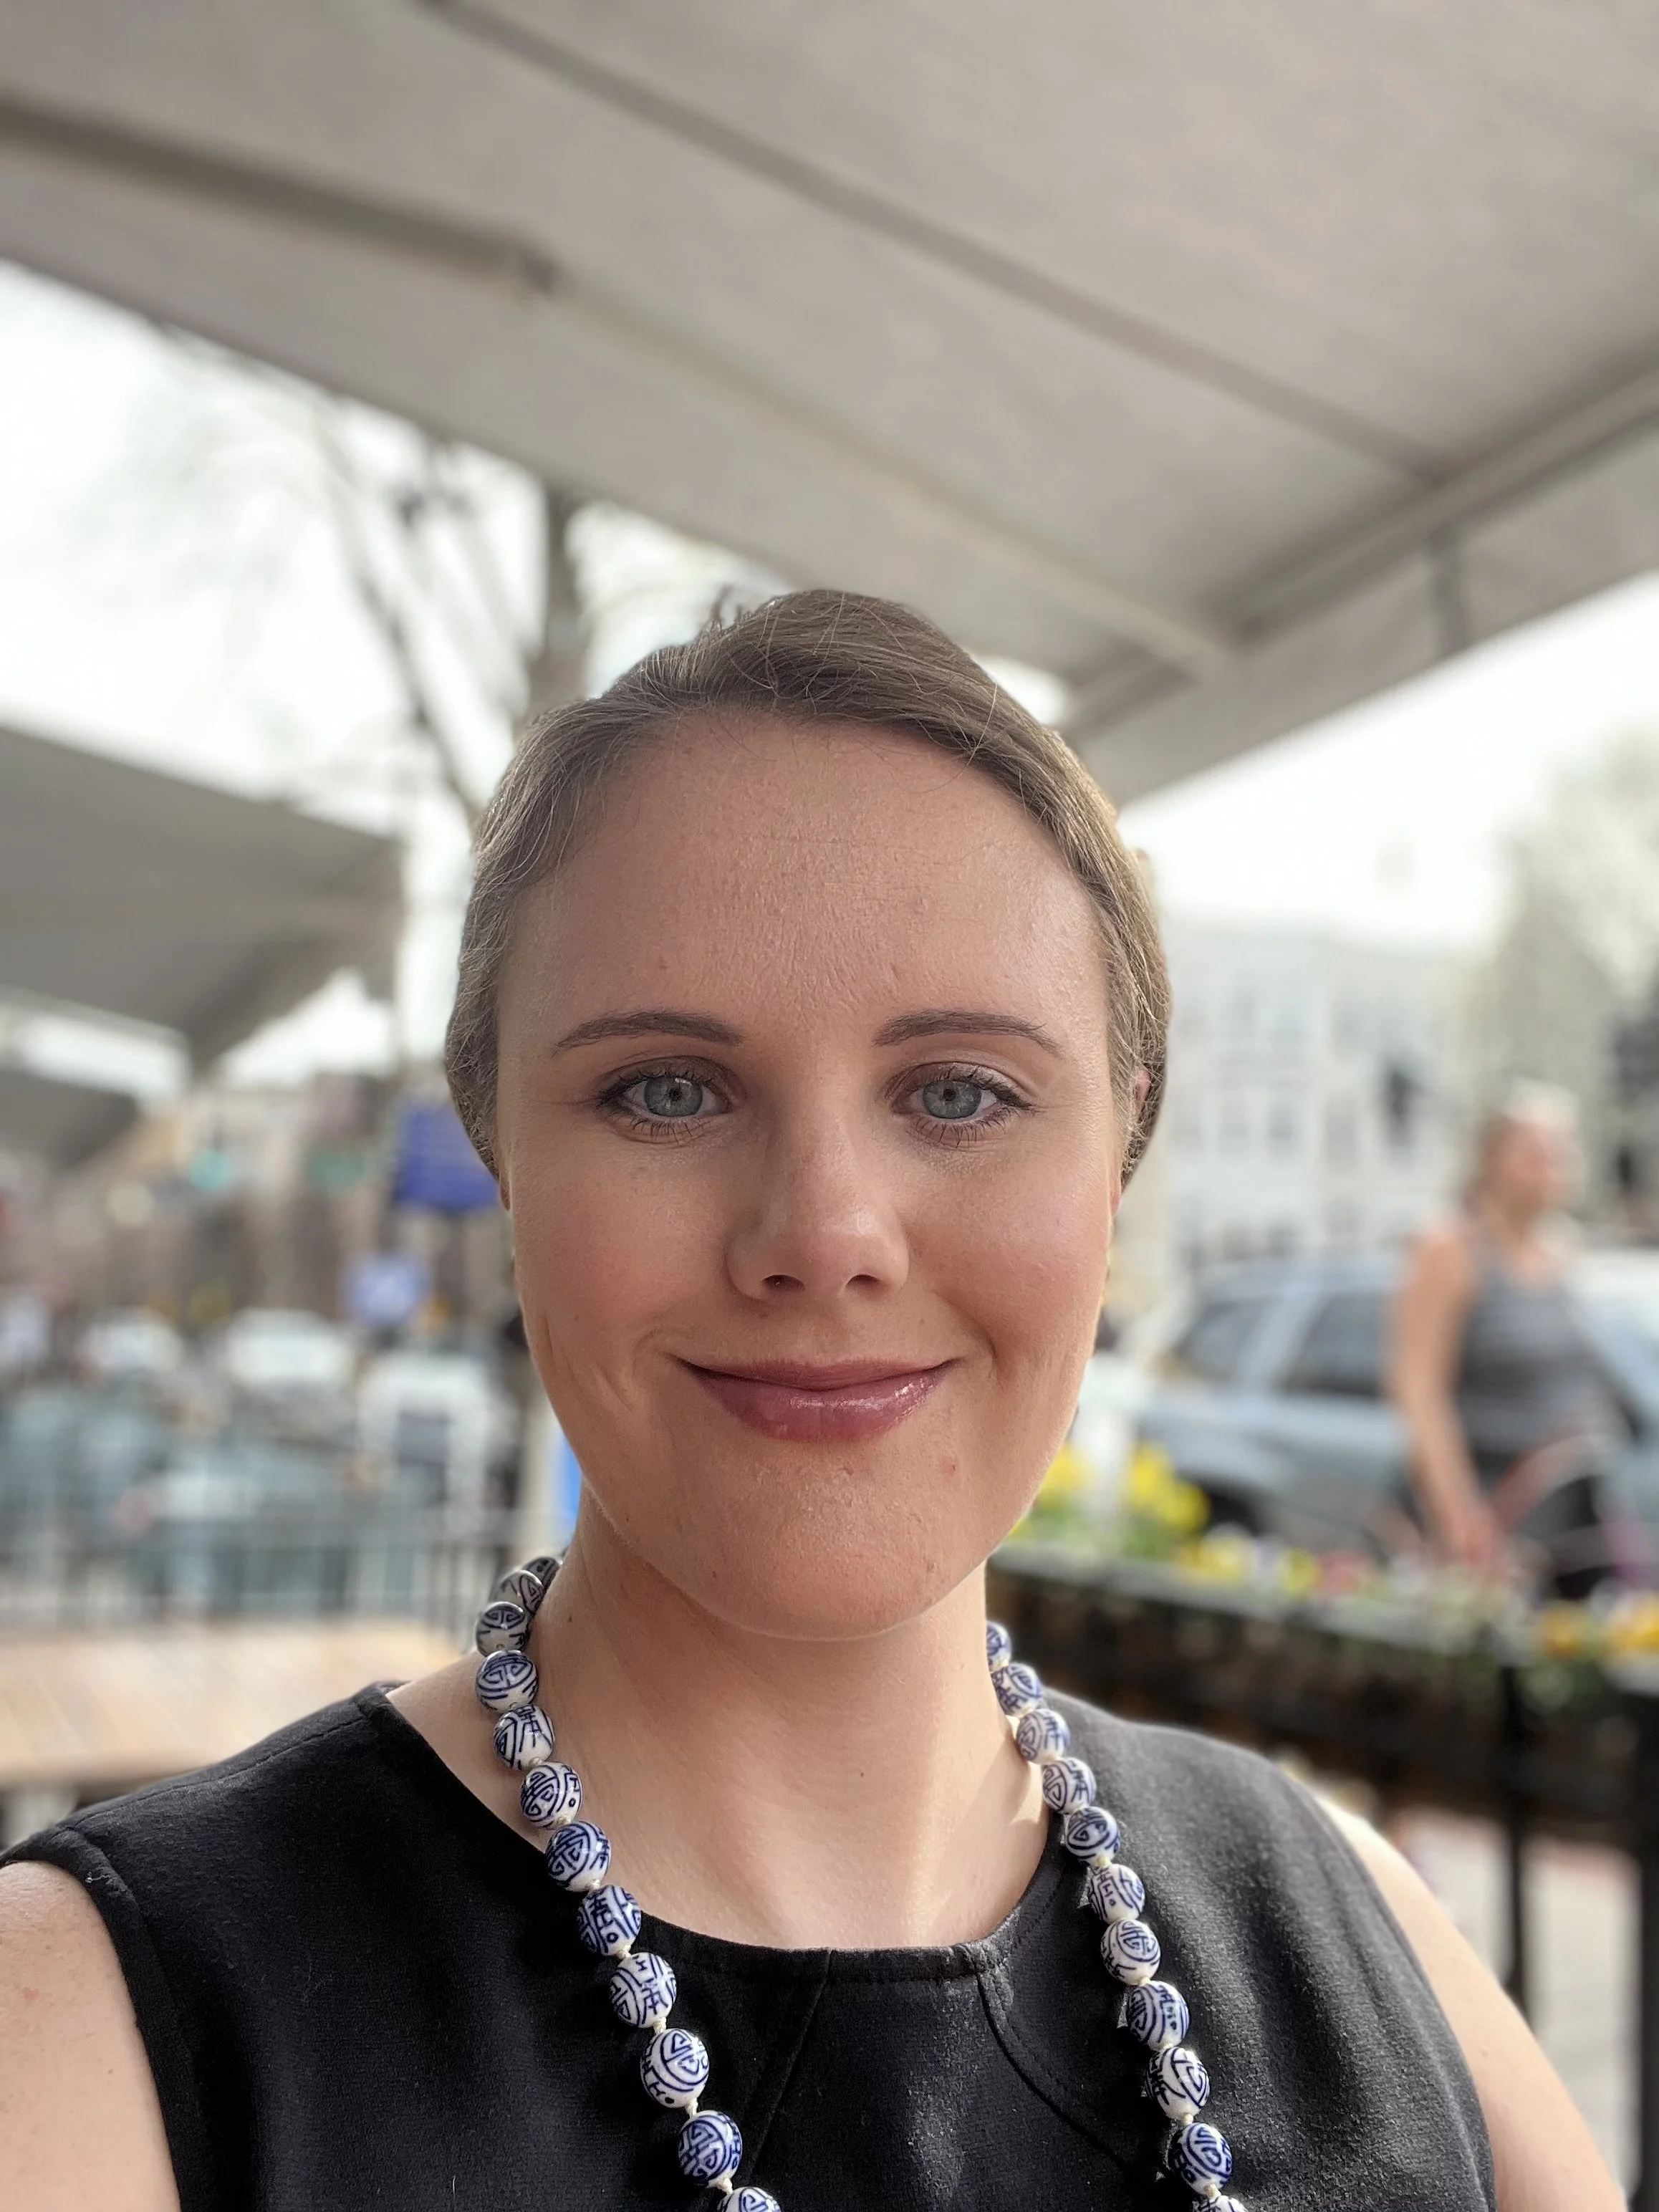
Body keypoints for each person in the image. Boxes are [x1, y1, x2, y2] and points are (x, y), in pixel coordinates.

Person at [0, 593, 1617, 2209]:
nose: (826, 1232)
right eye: (667, 1088)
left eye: (962, 1091)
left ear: (1118, 1153)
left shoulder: (1367, 1953)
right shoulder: (98, 2032)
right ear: (500, 1147)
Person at [1390, 1090, 1625, 1598]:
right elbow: (1418, 1390)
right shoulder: (1450, 1250)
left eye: (1559, 1154)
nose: (1551, 1168)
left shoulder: (1566, 1249)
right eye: (1534, 1154)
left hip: (1569, 1508)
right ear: (1490, 1159)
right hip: (1488, 1504)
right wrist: (1461, 1520)